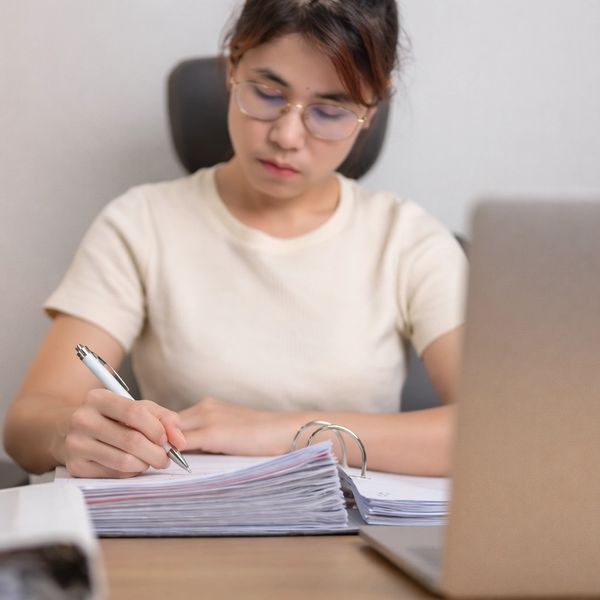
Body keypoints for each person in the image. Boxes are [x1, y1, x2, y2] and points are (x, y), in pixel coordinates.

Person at [3, 0, 466, 479]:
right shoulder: (141, 223)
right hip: (186, 534)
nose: (287, 135)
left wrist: (286, 432)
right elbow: (27, 424)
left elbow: (490, 432)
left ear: (373, 106)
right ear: (232, 65)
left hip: (352, 544)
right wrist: (69, 434)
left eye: (330, 110)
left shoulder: (409, 240)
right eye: (267, 93)